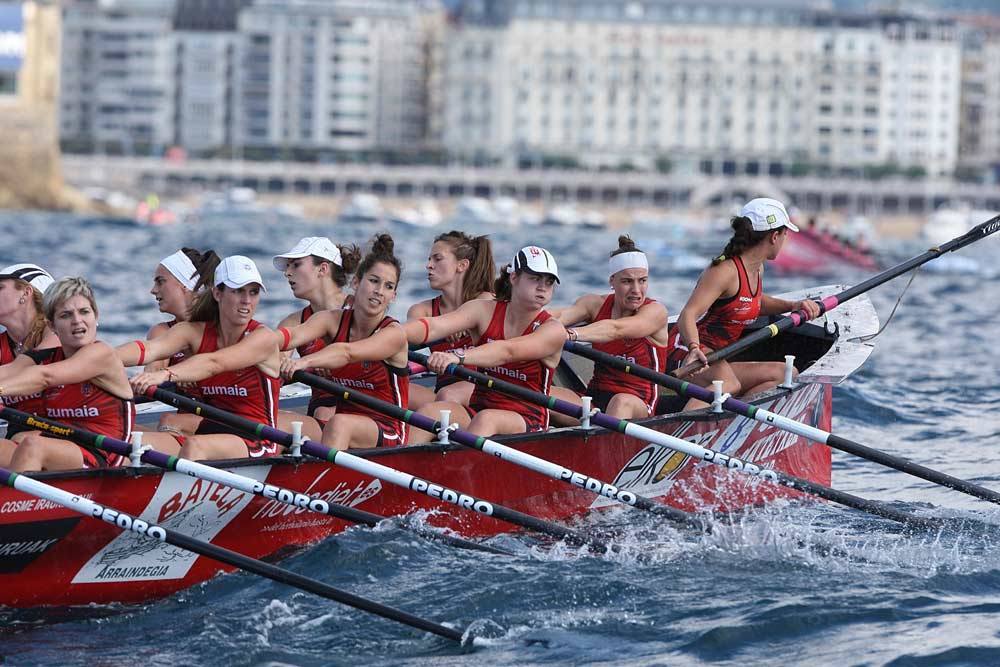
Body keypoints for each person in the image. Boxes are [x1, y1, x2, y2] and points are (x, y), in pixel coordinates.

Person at [123, 256, 283, 461]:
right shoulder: (194, 332)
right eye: (238, 291)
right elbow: (149, 349)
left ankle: (177, 491)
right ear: (217, 293)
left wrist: (166, 374)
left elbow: (214, 363)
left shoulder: (263, 338)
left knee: (194, 446)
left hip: (257, 439)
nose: (247, 301)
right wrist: (102, 358)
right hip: (208, 430)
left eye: (253, 292)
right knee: (127, 441)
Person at [668, 198, 821, 408]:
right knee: (729, 384)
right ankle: (680, 433)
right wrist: (694, 348)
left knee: (786, 373)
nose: (785, 239)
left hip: (717, 357)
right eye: (785, 234)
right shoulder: (725, 272)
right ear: (774, 236)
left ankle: (733, 423)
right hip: (687, 353)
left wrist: (793, 306)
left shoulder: (756, 268)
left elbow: (753, 302)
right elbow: (688, 315)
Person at [405, 246, 566, 442]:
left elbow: (507, 351)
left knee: (487, 419)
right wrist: (389, 334)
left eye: (549, 282)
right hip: (478, 408)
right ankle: (394, 468)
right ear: (513, 278)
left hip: (527, 419)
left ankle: (458, 470)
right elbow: (434, 326)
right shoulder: (483, 310)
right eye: (535, 278)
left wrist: (457, 356)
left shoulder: (553, 330)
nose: (543, 287)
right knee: (429, 412)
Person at [278, 234, 409, 451]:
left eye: (387, 286)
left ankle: (321, 481)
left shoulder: (393, 333)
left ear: (393, 295)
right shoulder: (327, 319)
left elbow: (346, 352)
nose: (378, 291)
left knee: (336, 421)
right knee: (276, 420)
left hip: (385, 427)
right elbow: (283, 340)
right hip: (336, 417)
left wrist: (305, 362)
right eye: (374, 281)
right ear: (356, 283)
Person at [0, 277, 135, 471]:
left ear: (95, 317)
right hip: (62, 442)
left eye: (84, 312)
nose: (77, 320)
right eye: (66, 315)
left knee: (32, 447)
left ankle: (14, 501)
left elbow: (44, 377)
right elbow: (9, 372)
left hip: (104, 452)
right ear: (52, 326)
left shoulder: (101, 354)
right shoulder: (43, 357)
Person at [551, 236, 669, 420]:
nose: (637, 290)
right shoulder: (593, 304)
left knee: (620, 402)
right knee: (541, 393)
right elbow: (558, 317)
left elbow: (616, 329)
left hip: (637, 404)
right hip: (594, 400)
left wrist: (570, 335)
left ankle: (598, 445)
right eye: (627, 281)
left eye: (642, 280)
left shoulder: (655, 312)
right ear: (612, 281)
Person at [272, 236, 360, 440]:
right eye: (288, 267)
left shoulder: (360, 309)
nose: (287, 273)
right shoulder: (293, 323)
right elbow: (274, 368)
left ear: (322, 269)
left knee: (327, 414)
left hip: (365, 405)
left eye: (296, 265)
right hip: (322, 408)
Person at [406, 231, 494, 411]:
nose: (428, 265)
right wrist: (448, 326)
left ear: (461, 265)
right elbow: (412, 337)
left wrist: (461, 322)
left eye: (437, 259)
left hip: (484, 387)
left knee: (447, 395)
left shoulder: (486, 301)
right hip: (444, 389)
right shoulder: (421, 310)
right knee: (394, 391)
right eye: (429, 259)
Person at [145, 248, 221, 436]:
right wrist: (175, 374)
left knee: (168, 421)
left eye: (160, 281)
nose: (153, 290)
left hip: (229, 418)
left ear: (186, 286)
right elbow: (151, 376)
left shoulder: (223, 327)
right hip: (190, 421)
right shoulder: (161, 332)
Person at [0, 264, 59, 447]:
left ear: (25, 293)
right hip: (24, 432)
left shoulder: (56, 332)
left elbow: (27, 371)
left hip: (68, 429)